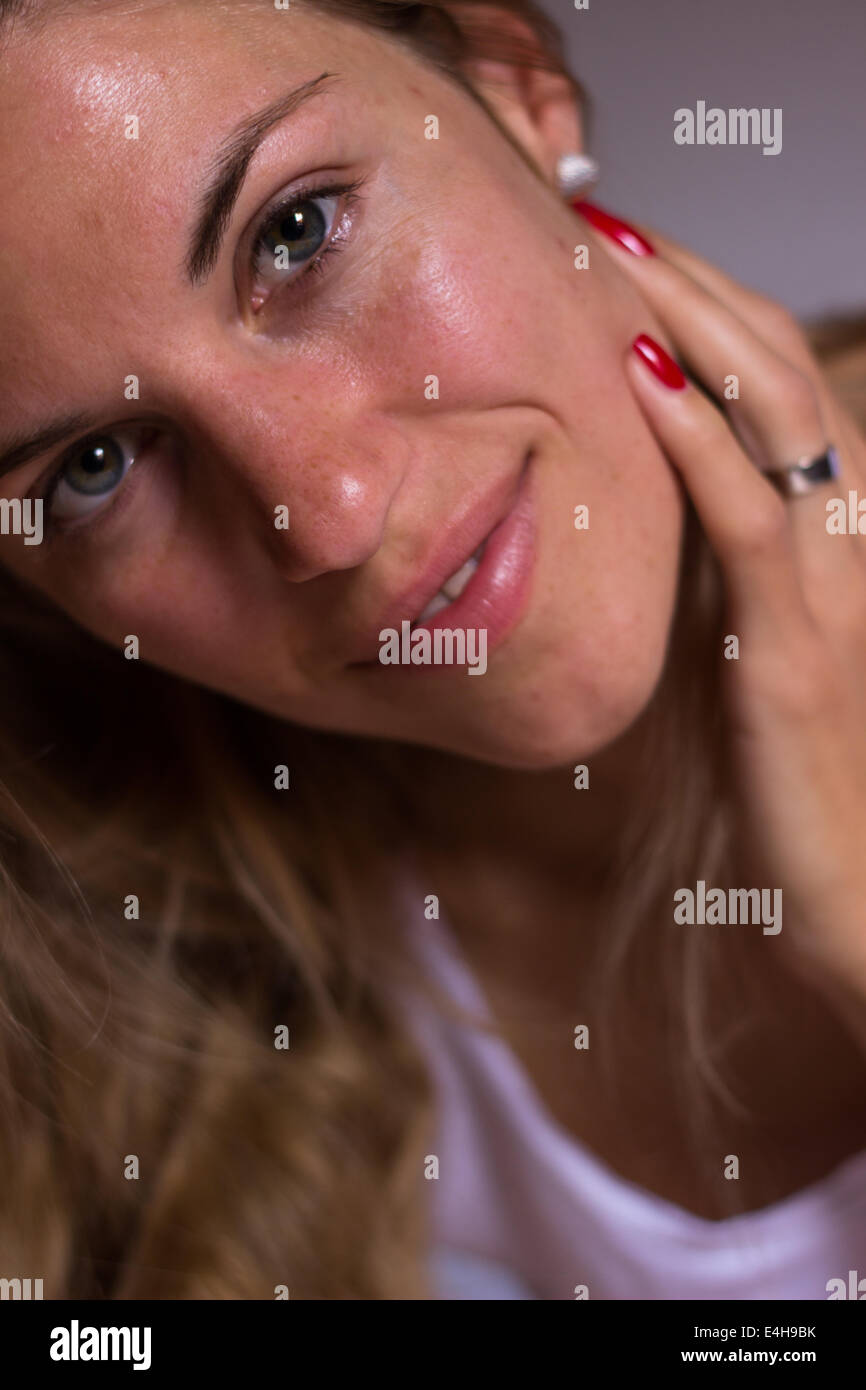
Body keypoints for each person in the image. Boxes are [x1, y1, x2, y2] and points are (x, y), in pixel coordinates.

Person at [1, 0, 865, 1300]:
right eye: (95, 467)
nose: (329, 517)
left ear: (515, 85)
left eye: (295, 233)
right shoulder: (188, 962)